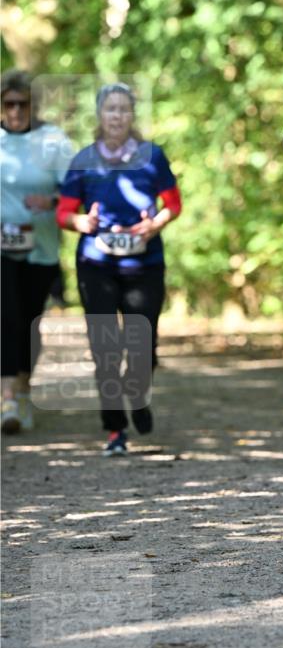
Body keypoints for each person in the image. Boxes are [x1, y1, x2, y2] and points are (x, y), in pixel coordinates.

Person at [56, 83, 182, 456]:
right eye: (110, 109)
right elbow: (64, 212)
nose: (117, 116)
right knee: (105, 349)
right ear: (100, 115)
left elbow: (173, 203)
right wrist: (82, 223)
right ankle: (115, 431)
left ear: (132, 115)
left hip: (144, 265)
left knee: (143, 347)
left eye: (124, 109)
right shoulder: (83, 159)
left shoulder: (151, 156)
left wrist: (154, 224)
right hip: (96, 264)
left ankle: (137, 393)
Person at [1, 69, 72, 433]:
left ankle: (25, 388)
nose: (14, 111)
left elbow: (77, 189)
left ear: (33, 105)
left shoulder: (52, 140)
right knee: (6, 315)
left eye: (22, 104)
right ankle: (8, 396)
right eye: (8, 104)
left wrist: (54, 200)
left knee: (29, 321)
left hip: (40, 246)